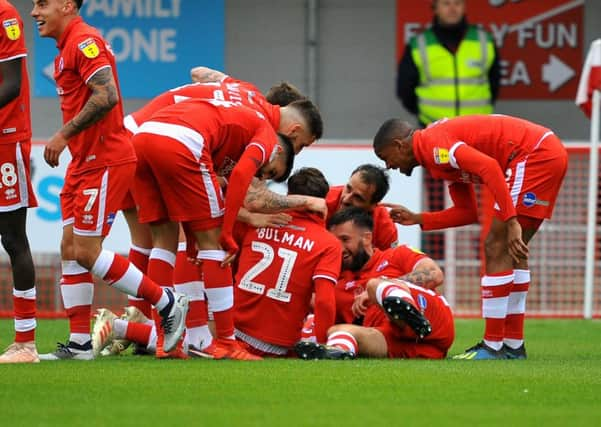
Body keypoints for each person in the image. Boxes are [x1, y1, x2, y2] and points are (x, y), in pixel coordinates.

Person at [31, 0, 188, 360]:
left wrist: (62, 135)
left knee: (86, 251)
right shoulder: (63, 51)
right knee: (69, 249)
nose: (34, 12)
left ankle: (166, 302)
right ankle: (80, 345)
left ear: (67, 5)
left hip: (105, 160)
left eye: (42, 3)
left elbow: (107, 95)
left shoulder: (85, 41)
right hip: (83, 162)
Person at [372, 115, 568, 359]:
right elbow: (467, 213)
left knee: (495, 246)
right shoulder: (434, 156)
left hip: (534, 154)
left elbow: (489, 168)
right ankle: (513, 346)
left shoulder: (433, 145)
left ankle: (493, 346)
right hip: (545, 150)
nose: (389, 166)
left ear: (399, 145)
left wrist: (511, 220)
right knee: (511, 251)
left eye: (385, 157)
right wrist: (419, 218)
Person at [126, 98, 297, 360]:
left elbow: (188, 197)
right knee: (215, 244)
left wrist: (194, 238)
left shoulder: (230, 133)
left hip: (143, 138)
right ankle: (227, 342)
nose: (262, 177)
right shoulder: (266, 136)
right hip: (181, 140)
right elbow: (240, 176)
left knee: (163, 242)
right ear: (278, 152)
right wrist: (226, 232)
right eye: (270, 172)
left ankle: (164, 340)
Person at [296, 207, 453, 360]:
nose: (339, 248)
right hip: (401, 343)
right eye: (334, 242)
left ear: (367, 238)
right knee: (337, 331)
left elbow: (434, 274)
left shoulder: (396, 255)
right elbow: (308, 303)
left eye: (345, 239)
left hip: (434, 323)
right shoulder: (337, 283)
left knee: (374, 285)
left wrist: (380, 289)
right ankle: (338, 352)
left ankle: (410, 315)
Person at [233, 167, 341, 357]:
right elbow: (324, 302)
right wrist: (324, 345)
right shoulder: (329, 243)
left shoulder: (257, 221)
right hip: (279, 346)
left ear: (288, 195)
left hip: (232, 333)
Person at [0, 0, 39, 364]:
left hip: (5, 138)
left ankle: (26, 343)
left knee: (13, 238)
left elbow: (11, 84)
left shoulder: (5, 14)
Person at [396, 0, 500, 127]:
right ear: (435, 8)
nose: (452, 8)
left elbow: (495, 82)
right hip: (433, 126)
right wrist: (423, 114)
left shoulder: (484, 40)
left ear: (464, 7)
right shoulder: (419, 43)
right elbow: (405, 88)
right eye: (446, 3)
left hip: (477, 127)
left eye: (457, 3)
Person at [326, 164, 398, 250]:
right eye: (348, 188)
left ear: (373, 206)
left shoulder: (385, 229)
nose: (346, 199)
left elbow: (389, 261)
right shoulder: (323, 200)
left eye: (358, 197)